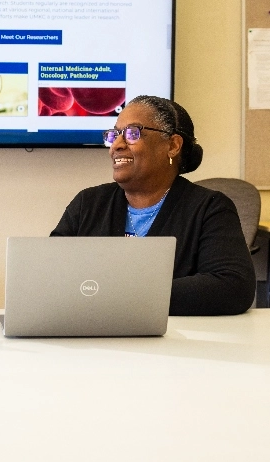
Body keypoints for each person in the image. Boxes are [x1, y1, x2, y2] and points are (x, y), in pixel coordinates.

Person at [51, 95, 255, 315]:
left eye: (132, 134)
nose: (116, 146)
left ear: (173, 145)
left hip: (176, 343)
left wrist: (121, 295)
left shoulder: (210, 208)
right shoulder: (88, 204)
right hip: (93, 338)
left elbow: (233, 287)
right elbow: (50, 274)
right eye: (114, 135)